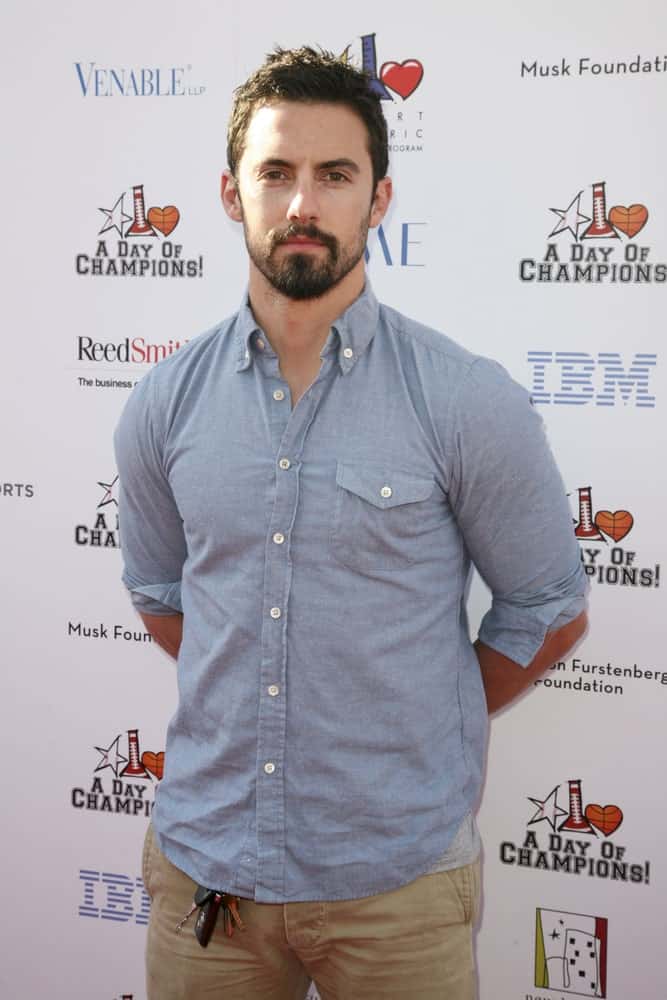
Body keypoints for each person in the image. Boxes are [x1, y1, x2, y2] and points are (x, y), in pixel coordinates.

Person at [115, 46, 588, 1000]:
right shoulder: (162, 404)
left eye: (335, 176)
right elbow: (164, 599)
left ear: (377, 199)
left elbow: (547, 608)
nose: (302, 205)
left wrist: (416, 714)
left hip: (398, 888)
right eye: (275, 173)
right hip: (209, 875)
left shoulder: (462, 400)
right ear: (229, 193)